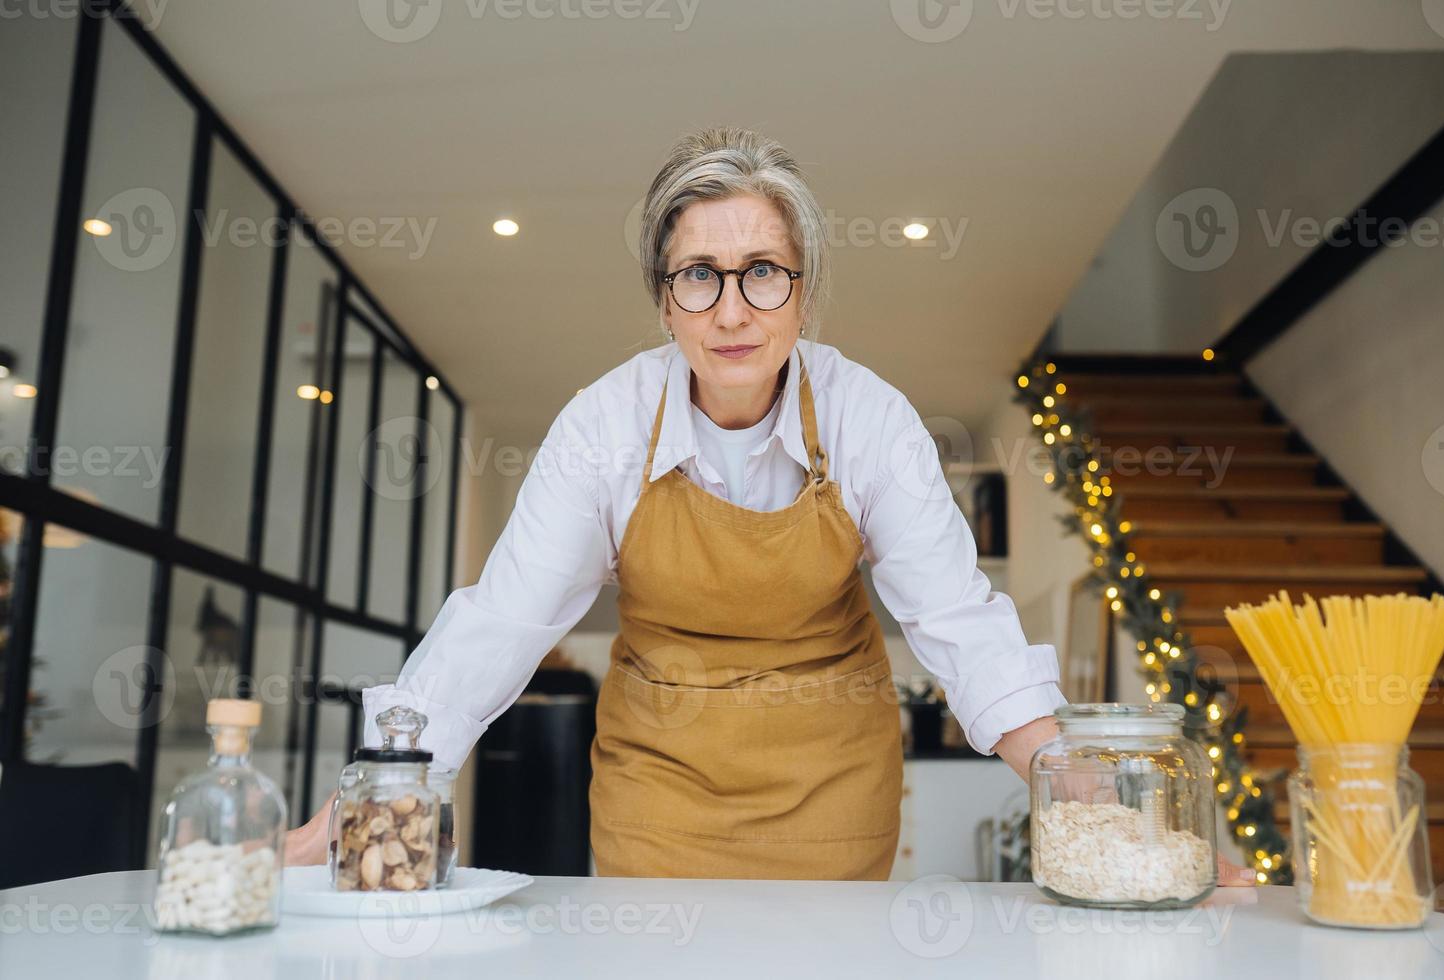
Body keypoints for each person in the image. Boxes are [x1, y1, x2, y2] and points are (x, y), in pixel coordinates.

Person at [287, 126, 1253, 884]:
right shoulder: (605, 425)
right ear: (663, 301)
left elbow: (962, 626)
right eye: (698, 277)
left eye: (762, 273)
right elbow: (503, 619)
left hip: (830, 790)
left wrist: (1093, 805)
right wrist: (369, 799)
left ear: (803, 293)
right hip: (655, 793)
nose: (732, 310)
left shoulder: (868, 418)